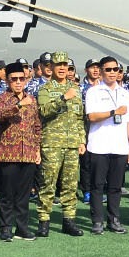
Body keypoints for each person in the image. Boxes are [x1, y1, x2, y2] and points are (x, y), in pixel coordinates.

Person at [35, 51, 86, 236]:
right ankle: (43, 221)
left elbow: (79, 117)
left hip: (72, 143)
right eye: (59, 65)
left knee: (70, 185)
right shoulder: (46, 89)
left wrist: (81, 140)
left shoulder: (76, 88)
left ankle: (69, 220)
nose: (63, 68)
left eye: (66, 65)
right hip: (52, 143)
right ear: (51, 67)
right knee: (48, 184)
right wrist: (63, 98)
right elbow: (44, 111)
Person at [0, 62, 42, 241]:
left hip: (28, 152)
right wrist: (19, 105)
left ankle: (22, 228)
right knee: (7, 194)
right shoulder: (1, 98)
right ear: (7, 80)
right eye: (14, 79)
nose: (18, 82)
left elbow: (37, 126)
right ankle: (6, 228)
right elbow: (0, 115)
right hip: (8, 154)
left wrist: (37, 149)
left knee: (24, 194)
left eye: (21, 79)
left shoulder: (32, 100)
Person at [84, 56, 129, 234]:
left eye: (116, 69)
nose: (112, 73)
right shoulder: (93, 92)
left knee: (115, 187)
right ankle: (97, 221)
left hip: (120, 146)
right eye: (108, 69)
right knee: (97, 186)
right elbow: (92, 116)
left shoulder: (125, 93)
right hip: (99, 145)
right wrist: (114, 112)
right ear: (101, 71)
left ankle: (114, 219)